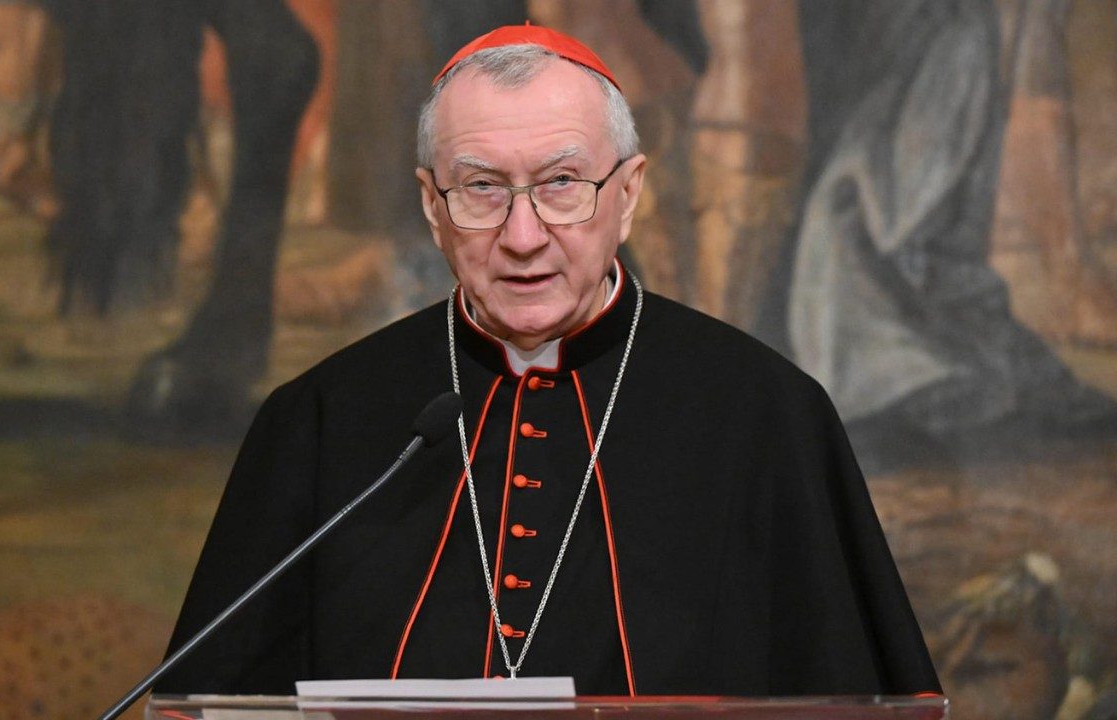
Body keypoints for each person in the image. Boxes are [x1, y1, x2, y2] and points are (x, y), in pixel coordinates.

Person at [156, 24, 941, 697]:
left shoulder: (766, 414)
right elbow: (215, 698)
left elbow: (850, 693)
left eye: (563, 183)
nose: (523, 236)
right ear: (432, 206)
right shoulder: (321, 419)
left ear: (627, 195)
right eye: (482, 188)